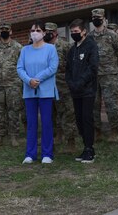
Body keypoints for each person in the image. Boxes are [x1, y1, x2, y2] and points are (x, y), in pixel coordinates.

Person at [17, 20, 59, 164]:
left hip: (45, 91)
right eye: (32, 30)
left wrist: (37, 79)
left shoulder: (50, 49)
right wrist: (29, 80)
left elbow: (53, 67)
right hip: (29, 91)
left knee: (46, 122)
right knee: (31, 123)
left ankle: (47, 154)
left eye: (38, 30)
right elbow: (20, 68)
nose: (34, 33)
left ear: (44, 33)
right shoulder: (24, 50)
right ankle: (30, 154)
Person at [65, 19, 99, 163]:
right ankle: (85, 147)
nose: (74, 34)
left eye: (76, 32)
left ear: (84, 31)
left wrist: (80, 82)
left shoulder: (91, 45)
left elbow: (93, 67)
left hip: (87, 90)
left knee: (86, 119)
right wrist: (71, 83)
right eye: (72, 32)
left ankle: (89, 149)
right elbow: (68, 69)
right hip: (75, 91)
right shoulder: (72, 49)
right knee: (78, 120)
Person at [90, 8, 118, 143]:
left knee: (111, 104)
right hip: (94, 76)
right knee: (94, 104)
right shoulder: (89, 37)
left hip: (109, 75)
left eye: (98, 17)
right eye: (94, 17)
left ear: (104, 18)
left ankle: (114, 131)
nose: (96, 19)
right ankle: (97, 131)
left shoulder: (112, 35)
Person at [0, 23, 23, 148]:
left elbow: (22, 65)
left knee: (13, 110)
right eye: (2, 29)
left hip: (13, 84)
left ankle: (14, 136)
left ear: (11, 32)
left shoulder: (18, 47)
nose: (4, 31)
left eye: (6, 29)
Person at [44, 22, 76, 153]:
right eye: (45, 32)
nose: (47, 34)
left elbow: (73, 65)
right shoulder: (43, 47)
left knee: (68, 113)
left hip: (63, 85)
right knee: (52, 114)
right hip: (47, 86)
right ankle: (57, 138)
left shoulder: (65, 46)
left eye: (50, 32)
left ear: (56, 33)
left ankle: (71, 142)